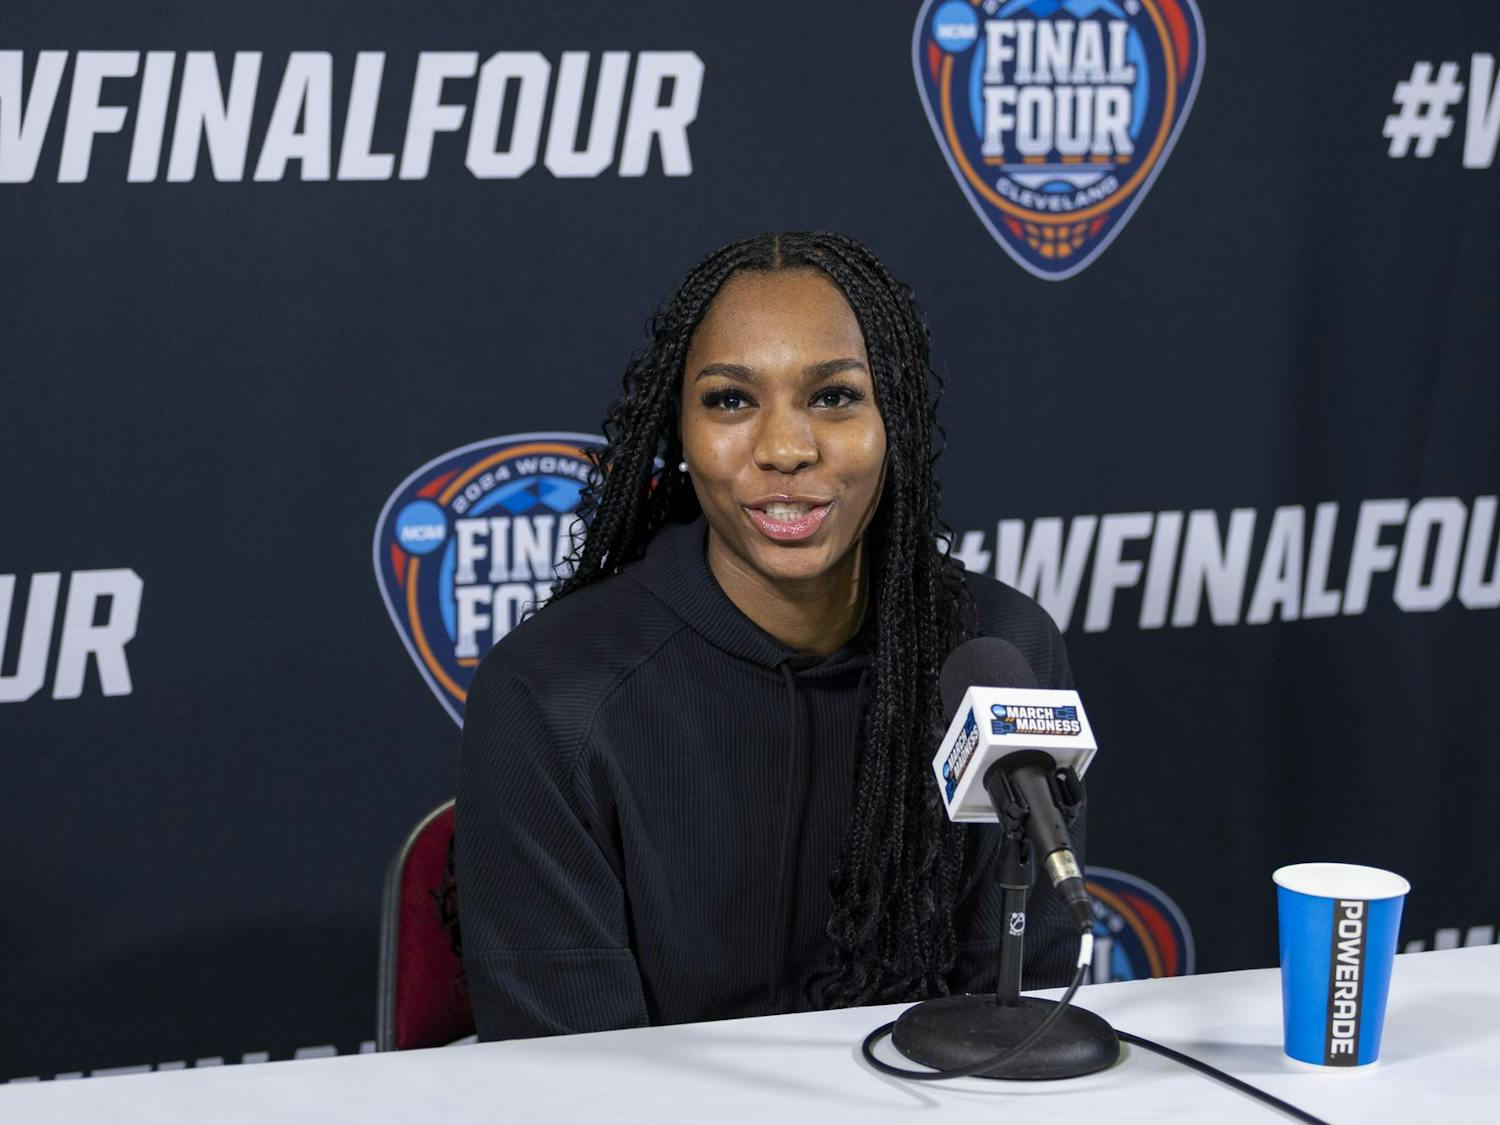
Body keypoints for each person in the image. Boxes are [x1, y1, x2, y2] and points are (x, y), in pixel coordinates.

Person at [454, 231, 1082, 1041]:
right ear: (680, 428)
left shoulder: (1000, 651)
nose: (785, 448)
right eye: (730, 400)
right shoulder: (550, 694)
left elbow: (1024, 1009)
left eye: (834, 396)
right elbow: (568, 1071)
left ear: (895, 419)